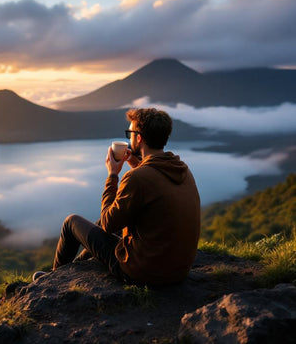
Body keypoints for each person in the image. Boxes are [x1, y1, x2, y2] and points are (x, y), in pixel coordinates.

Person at [35, 108, 201, 286]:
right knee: (101, 223)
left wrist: (112, 175)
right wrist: (137, 165)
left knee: (71, 223)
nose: (129, 137)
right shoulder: (181, 169)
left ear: (139, 138)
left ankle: (52, 283)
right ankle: (75, 269)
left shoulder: (138, 178)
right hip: (177, 271)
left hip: (144, 274)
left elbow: (108, 224)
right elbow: (151, 189)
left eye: (130, 132)